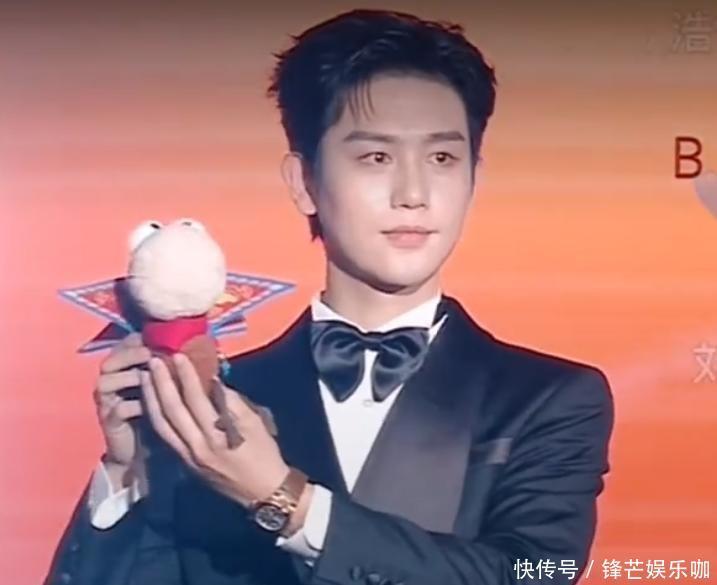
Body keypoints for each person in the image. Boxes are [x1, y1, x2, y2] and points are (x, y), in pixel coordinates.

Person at [44, 9, 614, 585]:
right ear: (305, 182)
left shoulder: (549, 398)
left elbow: (535, 574)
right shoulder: (215, 401)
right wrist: (127, 475)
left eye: (442, 158)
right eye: (376, 158)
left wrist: (285, 500)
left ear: (474, 179)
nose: (413, 193)